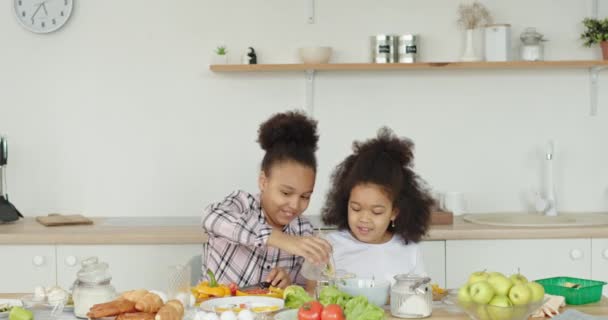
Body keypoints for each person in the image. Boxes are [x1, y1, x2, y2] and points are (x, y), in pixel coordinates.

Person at [202, 110, 332, 289]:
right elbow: (211, 217)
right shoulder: (242, 204)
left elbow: (305, 291)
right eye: (286, 193)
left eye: (305, 196)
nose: (295, 205)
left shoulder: (303, 231)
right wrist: (282, 240)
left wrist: (288, 283)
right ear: (263, 181)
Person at [318, 127, 434, 287]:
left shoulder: (409, 250)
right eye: (356, 208)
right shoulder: (330, 246)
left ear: (394, 212)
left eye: (377, 212)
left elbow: (420, 295)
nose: (364, 219)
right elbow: (316, 294)